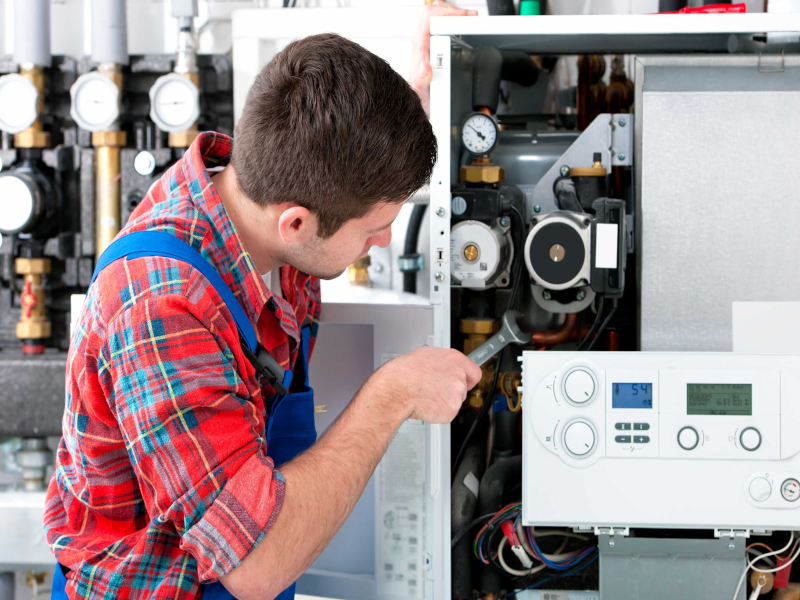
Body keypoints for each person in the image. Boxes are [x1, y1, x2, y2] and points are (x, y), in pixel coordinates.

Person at [43, 17, 480, 600]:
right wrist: (392, 396)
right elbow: (255, 563)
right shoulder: (158, 305)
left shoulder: (267, 195)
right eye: (373, 229)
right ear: (296, 224)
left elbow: (338, 142)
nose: (382, 242)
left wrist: (424, 89)